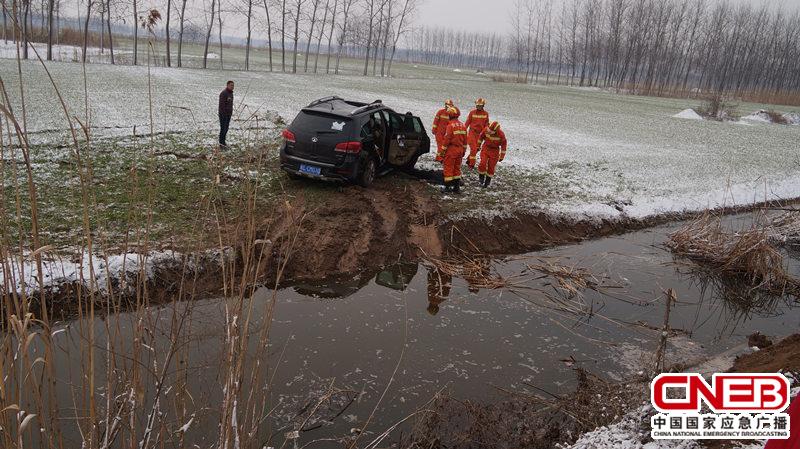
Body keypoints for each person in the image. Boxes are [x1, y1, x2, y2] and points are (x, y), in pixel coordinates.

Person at [437, 106, 467, 194]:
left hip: (451, 150)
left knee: (448, 168)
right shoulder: (462, 125)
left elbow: (447, 140)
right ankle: (456, 188)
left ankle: (447, 187)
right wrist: (463, 151)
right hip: (460, 150)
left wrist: (442, 152)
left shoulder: (450, 126)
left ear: (450, 115)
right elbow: (465, 140)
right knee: (457, 168)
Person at [477, 121, 507, 188]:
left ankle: (487, 181)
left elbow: (504, 145)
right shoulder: (486, 130)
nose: (489, 131)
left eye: (491, 131)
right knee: (482, 163)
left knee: (491, 166)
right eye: (489, 129)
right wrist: (478, 146)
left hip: (494, 151)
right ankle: (481, 179)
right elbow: (480, 137)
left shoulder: (501, 134)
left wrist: (502, 156)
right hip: (486, 148)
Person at [464, 98, 489, 169]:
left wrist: (486, 134)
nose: (478, 107)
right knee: (473, 149)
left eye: (480, 105)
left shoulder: (486, 114)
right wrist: (463, 130)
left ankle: (469, 159)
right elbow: (467, 122)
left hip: (480, 134)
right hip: (472, 133)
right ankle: (471, 164)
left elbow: (486, 125)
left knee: (477, 149)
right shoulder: (472, 112)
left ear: (483, 105)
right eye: (477, 105)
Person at [218, 80, 234, 147]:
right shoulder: (224, 93)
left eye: (233, 85)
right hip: (223, 115)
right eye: (231, 85)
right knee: (223, 129)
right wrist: (223, 114)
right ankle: (221, 143)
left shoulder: (231, 94)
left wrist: (230, 113)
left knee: (226, 129)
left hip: (228, 114)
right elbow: (221, 105)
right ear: (227, 85)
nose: (232, 87)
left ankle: (223, 142)